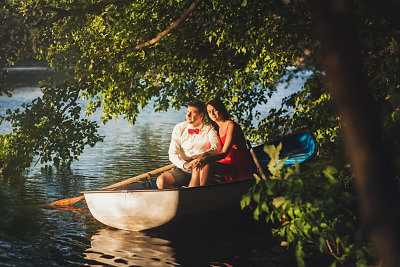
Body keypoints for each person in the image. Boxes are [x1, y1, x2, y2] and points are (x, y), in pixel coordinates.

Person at [156, 100, 221, 189]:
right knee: (161, 181)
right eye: (187, 112)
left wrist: (202, 157)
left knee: (196, 174)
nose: (188, 115)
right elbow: (172, 154)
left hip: (201, 166)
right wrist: (185, 164)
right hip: (182, 168)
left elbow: (216, 147)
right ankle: (182, 194)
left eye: (192, 113)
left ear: (201, 115)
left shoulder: (209, 129)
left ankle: (192, 194)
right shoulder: (179, 128)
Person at [197, 98, 253, 183]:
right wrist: (202, 156)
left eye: (214, 110)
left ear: (221, 110)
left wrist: (206, 159)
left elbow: (224, 153)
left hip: (236, 164)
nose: (212, 114)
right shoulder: (215, 129)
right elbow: (213, 149)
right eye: (209, 112)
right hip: (223, 162)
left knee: (208, 164)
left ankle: (202, 192)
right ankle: (199, 189)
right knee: (202, 163)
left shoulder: (231, 125)